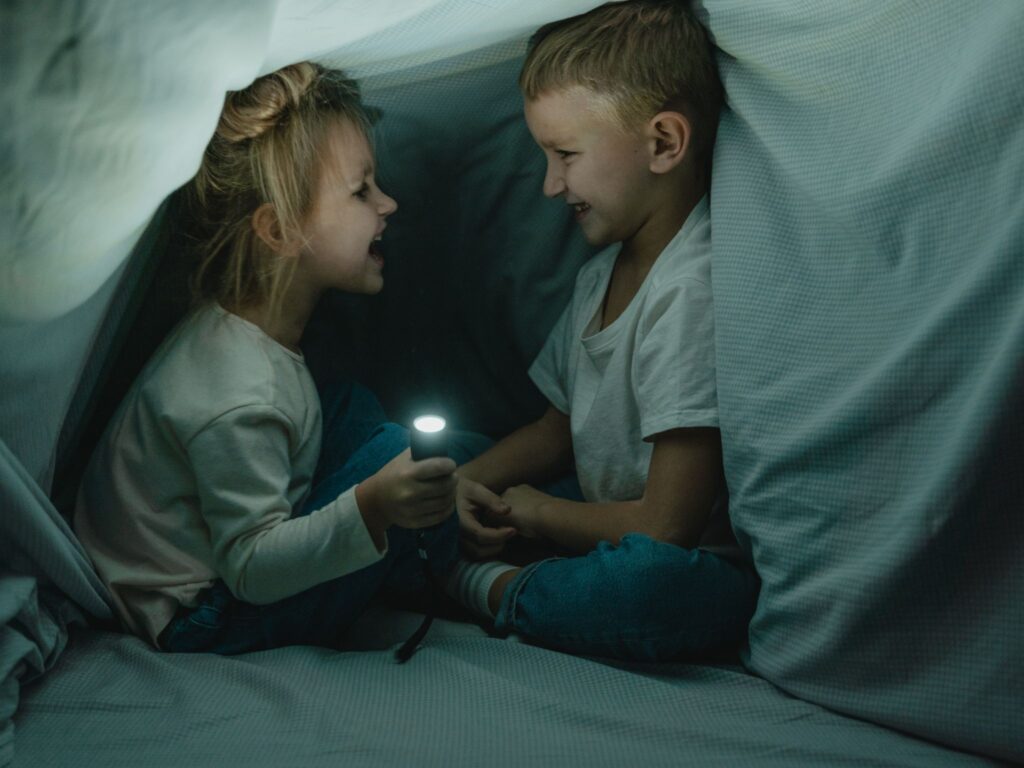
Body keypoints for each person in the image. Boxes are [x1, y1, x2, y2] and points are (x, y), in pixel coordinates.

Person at [74, 63, 462, 654]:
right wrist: (374, 505)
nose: (388, 203)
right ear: (279, 230)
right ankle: (450, 567)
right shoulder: (235, 393)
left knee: (354, 411)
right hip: (205, 612)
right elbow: (251, 571)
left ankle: (443, 517)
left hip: (226, 558)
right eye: (361, 191)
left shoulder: (249, 330)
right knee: (389, 455)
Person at [447, 0, 759, 661]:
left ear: (663, 144)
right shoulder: (602, 273)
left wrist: (534, 513)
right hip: (587, 514)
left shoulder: (689, 289)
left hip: (680, 560)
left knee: (646, 589)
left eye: (564, 155)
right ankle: (455, 546)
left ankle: (483, 587)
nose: (550, 186)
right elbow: (557, 428)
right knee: (437, 459)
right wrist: (461, 482)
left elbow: (665, 527)